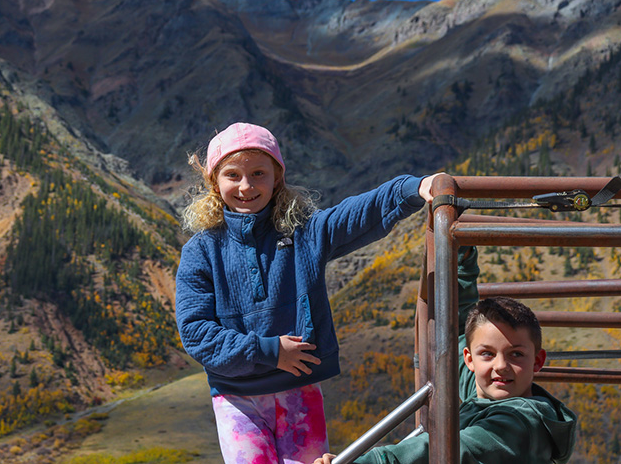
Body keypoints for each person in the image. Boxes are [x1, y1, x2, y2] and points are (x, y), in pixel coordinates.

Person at [175, 122, 439, 464]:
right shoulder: (201, 251)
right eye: (232, 175)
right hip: (237, 396)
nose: (246, 186)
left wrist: (413, 187)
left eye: (258, 173)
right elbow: (196, 333)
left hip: (299, 388)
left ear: (277, 177)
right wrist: (270, 351)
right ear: (214, 182)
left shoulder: (304, 233)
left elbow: (358, 214)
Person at [313, 246, 577, 464]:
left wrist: (365, 462)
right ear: (470, 360)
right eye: (487, 354)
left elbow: (449, 449)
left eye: (516, 354)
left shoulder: (522, 422)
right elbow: (460, 322)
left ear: (538, 361)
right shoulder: (486, 390)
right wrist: (461, 262)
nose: (501, 366)